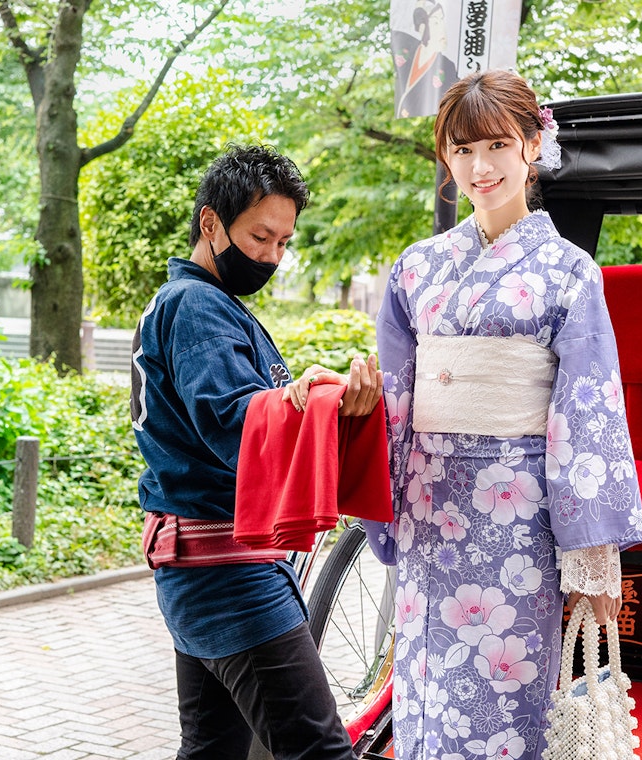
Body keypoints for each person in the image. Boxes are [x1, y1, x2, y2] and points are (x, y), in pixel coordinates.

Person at [362, 70, 642, 760]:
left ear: (531, 146)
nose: (480, 167)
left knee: (504, 697)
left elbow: (586, 411)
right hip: (430, 504)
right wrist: (377, 481)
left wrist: (590, 557)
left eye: (496, 145)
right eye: (462, 151)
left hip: (516, 515)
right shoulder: (417, 267)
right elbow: (397, 397)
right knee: (423, 688)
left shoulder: (569, 270)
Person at [130, 144, 381, 760]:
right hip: (228, 572)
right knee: (318, 752)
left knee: (215, 751)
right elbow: (235, 424)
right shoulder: (198, 307)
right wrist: (320, 397)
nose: (270, 256)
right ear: (210, 222)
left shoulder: (193, 304)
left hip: (200, 565)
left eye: (283, 243)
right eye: (260, 236)